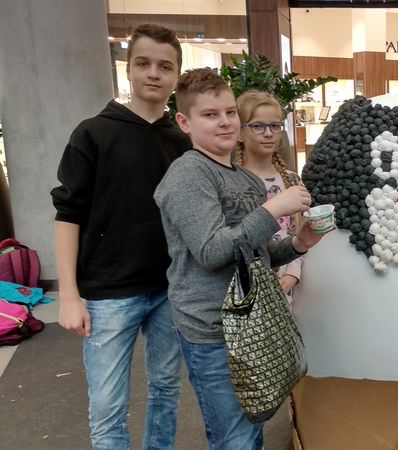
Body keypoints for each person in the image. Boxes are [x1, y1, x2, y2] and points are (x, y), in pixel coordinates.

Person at [154, 68, 327, 449]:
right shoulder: (187, 175)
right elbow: (213, 251)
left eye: (230, 112)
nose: (225, 122)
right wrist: (273, 209)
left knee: (250, 427)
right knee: (234, 437)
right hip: (213, 329)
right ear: (184, 122)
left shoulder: (243, 179)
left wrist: (299, 244)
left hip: (253, 322)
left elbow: (255, 255)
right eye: (210, 114)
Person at [51, 23, 189, 450]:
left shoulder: (183, 142)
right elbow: (68, 215)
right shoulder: (93, 133)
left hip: (169, 290)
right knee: (108, 407)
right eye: (143, 63)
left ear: (176, 75)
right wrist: (68, 296)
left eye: (165, 66)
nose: (154, 73)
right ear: (128, 69)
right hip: (108, 293)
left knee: (166, 390)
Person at [237, 91, 304, 308]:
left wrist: (293, 272)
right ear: (239, 132)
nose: (268, 134)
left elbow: (300, 232)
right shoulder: (232, 182)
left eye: (275, 126)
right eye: (257, 126)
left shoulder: (292, 180)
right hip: (247, 288)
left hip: (287, 286)